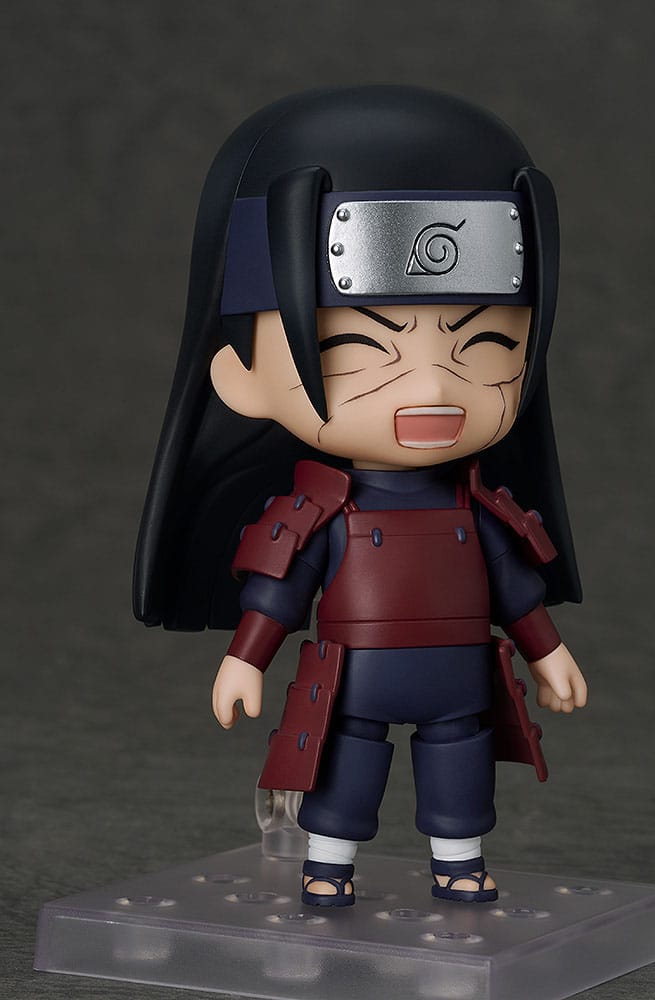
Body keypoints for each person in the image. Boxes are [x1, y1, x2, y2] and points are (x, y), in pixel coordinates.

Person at [134, 86, 588, 908]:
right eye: (356, 346)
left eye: (487, 341)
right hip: (351, 683)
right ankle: (329, 862)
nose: (431, 386)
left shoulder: (476, 509)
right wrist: (245, 658)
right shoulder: (322, 514)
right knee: (343, 762)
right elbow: (281, 589)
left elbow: (516, 591)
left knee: (461, 765)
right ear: (242, 376)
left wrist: (548, 652)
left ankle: (458, 861)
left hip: (459, 682)